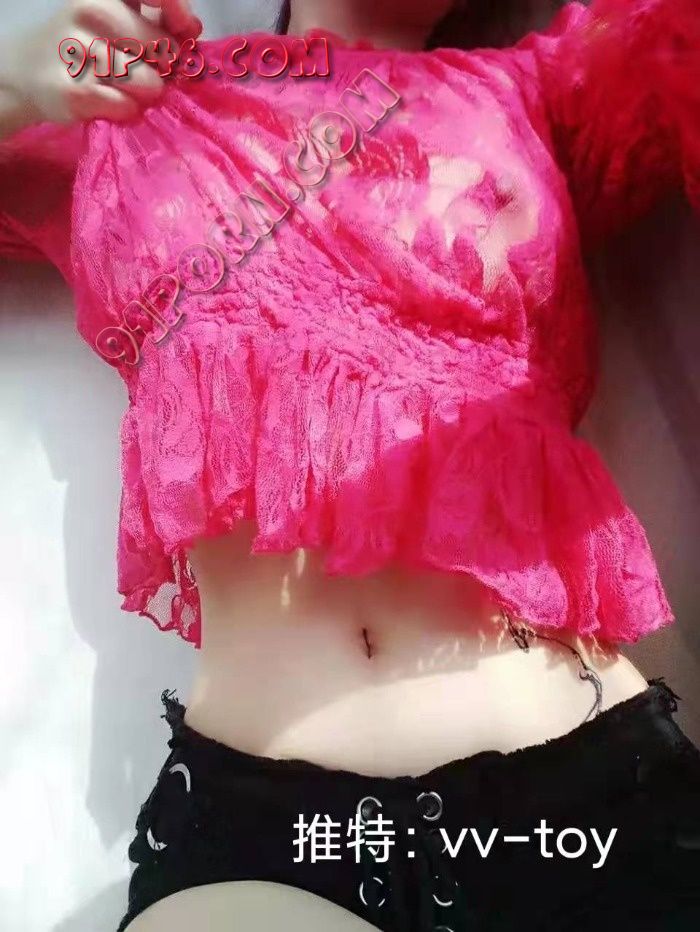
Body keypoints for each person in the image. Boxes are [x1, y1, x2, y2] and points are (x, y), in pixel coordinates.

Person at [1, 1, 699, 929]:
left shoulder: (540, 89)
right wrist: (9, 87)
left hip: (584, 796)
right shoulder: (123, 111)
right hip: (267, 835)